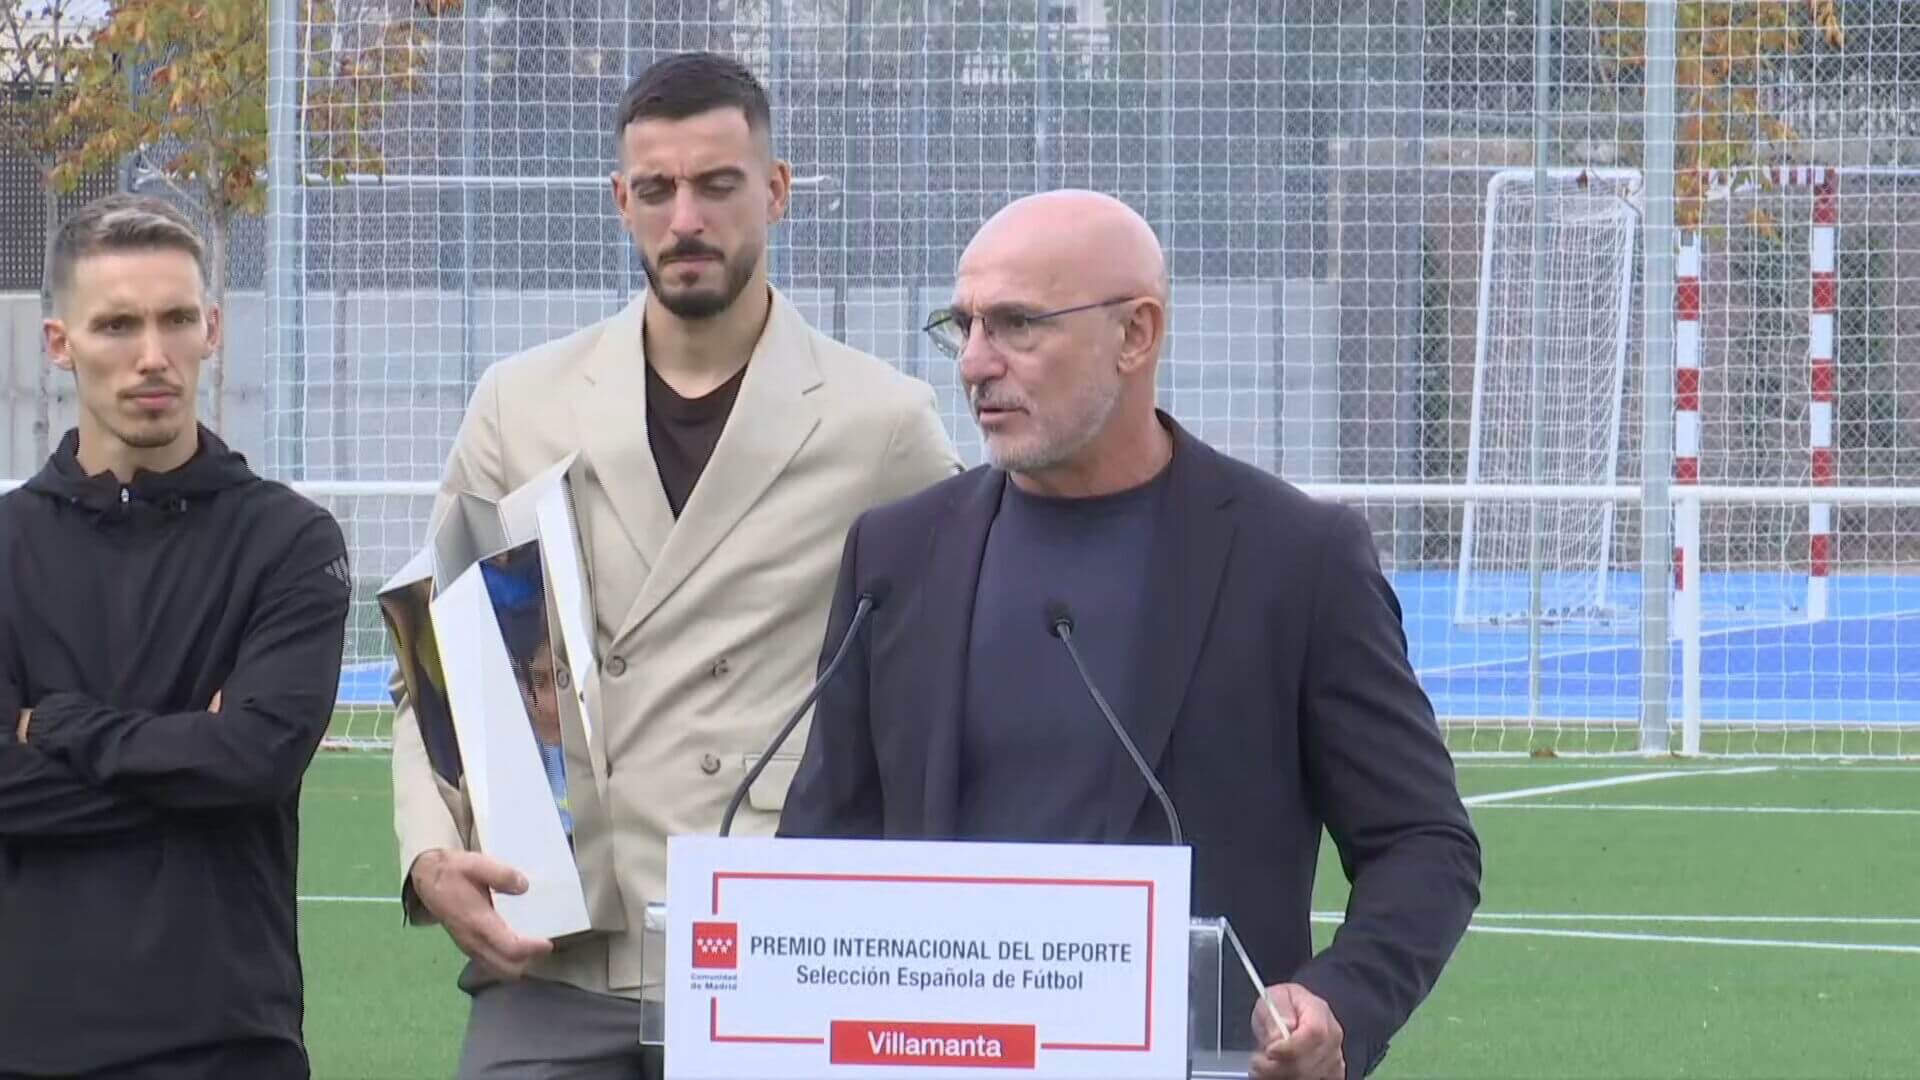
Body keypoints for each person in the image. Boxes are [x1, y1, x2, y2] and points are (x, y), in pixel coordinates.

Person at [778, 190, 1482, 1080]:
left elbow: (1424, 844)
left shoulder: (1296, 558)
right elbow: (821, 846)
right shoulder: (896, 553)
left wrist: (1338, 1001)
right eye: (962, 326)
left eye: (1016, 325)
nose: (975, 363)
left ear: (1136, 334)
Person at [389, 50, 961, 1078]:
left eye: (717, 185)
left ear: (775, 192)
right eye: (656, 190)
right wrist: (432, 857)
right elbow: (436, 676)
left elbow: (956, 667)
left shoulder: (884, 423)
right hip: (558, 951)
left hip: (781, 949)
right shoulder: (518, 403)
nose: (685, 217)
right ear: (621, 200)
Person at [0, 194, 352, 1078]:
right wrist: (193, 755)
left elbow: (255, 760)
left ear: (213, 330)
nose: (151, 356)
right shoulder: (5, 547)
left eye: (175, 320)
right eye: (116, 324)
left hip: (228, 1042)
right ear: (59, 343)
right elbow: (223, 766)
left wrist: (62, 727)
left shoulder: (289, 542)